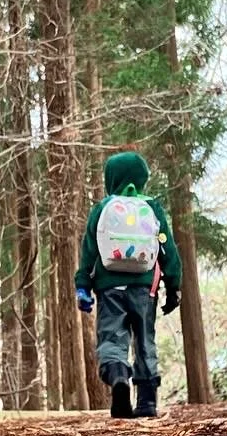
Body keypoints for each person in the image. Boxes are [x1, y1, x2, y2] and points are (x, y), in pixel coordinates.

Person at [75, 150, 182, 418]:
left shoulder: (102, 209)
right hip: (145, 287)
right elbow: (167, 247)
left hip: (109, 286)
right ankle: (147, 401)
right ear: (141, 178)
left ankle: (119, 377)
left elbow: (89, 251)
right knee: (145, 340)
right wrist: (173, 285)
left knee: (112, 337)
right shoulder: (152, 207)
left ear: (111, 178)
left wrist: (82, 286)